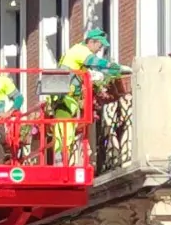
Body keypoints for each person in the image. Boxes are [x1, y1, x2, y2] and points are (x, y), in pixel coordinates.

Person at [51, 29, 125, 163]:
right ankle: (60, 156)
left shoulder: (77, 50)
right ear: (91, 42)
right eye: (99, 46)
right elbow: (94, 62)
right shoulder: (80, 51)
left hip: (66, 95)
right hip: (64, 96)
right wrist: (113, 66)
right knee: (65, 126)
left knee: (65, 127)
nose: (99, 49)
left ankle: (61, 155)